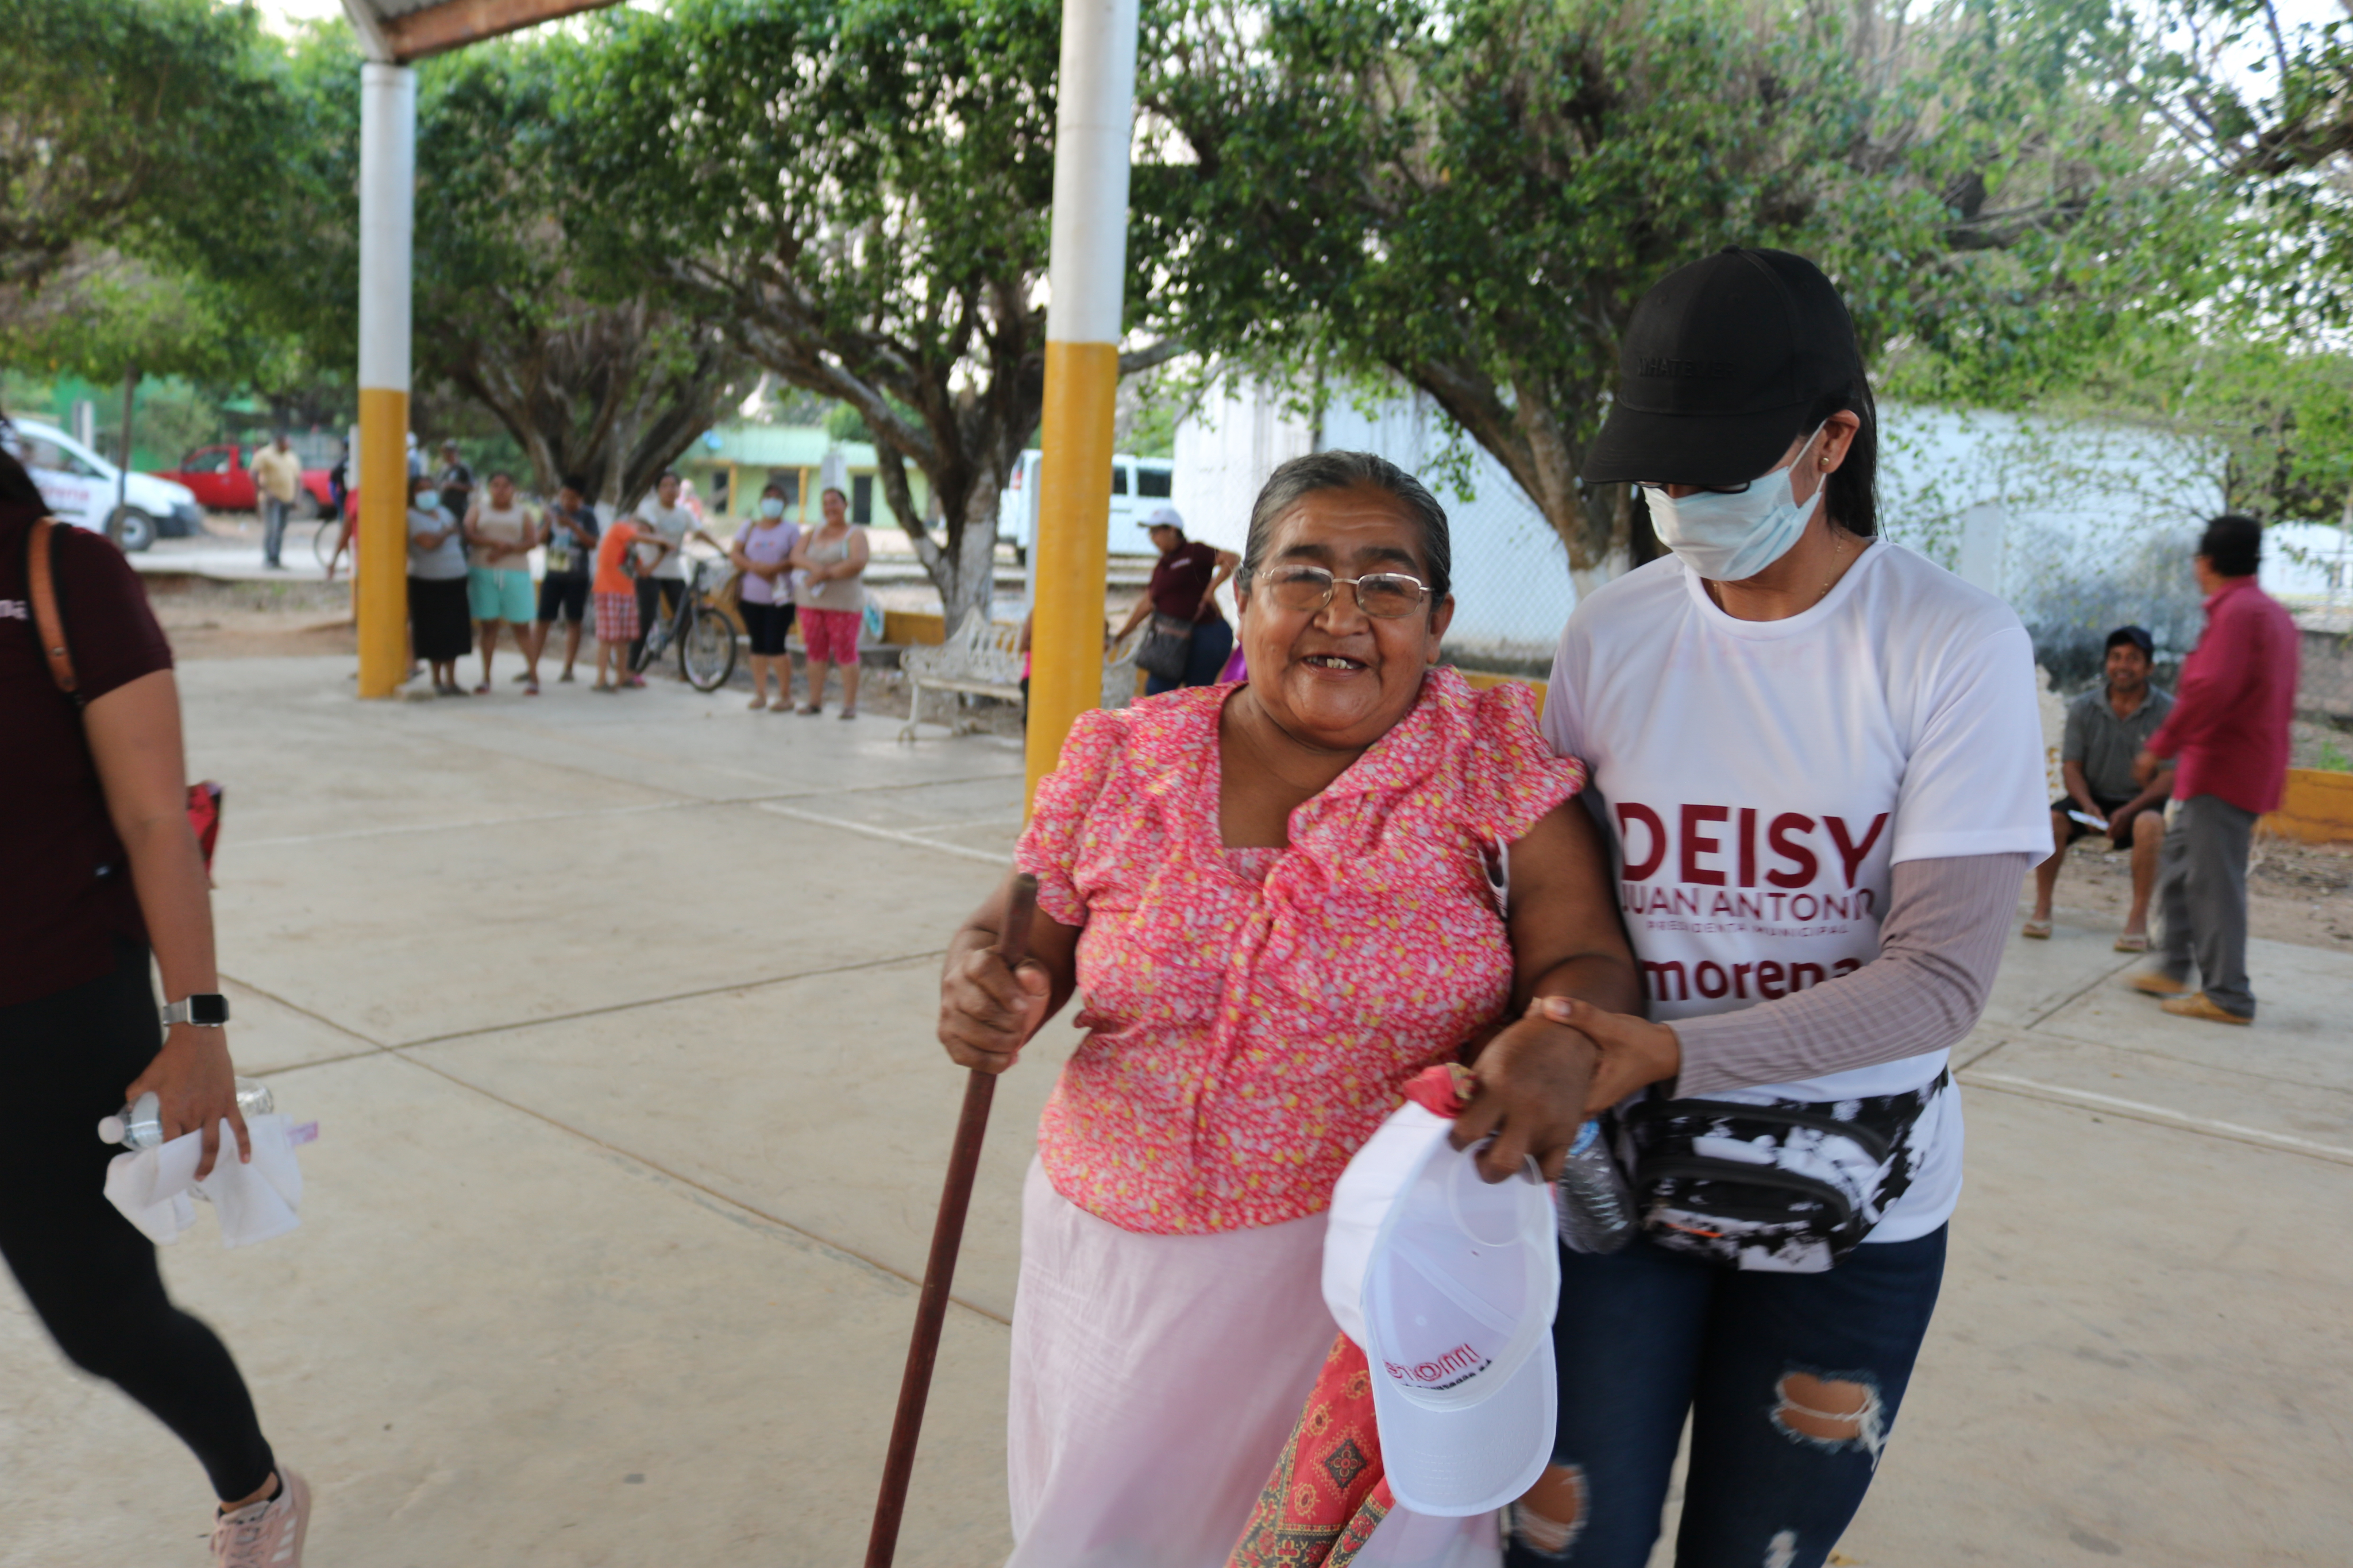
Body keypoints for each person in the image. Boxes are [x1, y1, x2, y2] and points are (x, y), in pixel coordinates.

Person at [937, 451, 1639, 1568]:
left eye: (1387, 584)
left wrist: (1555, 1036)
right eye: (1303, 574)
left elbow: (1587, 953)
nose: (1340, 614)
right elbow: (1019, 935)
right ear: (1241, 597)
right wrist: (987, 978)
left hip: (1381, 1275)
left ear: (1439, 615)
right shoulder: (1126, 755)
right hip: (1119, 1264)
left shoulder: (1489, 755)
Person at [1506, 248, 2049, 1568]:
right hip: (1615, 1190)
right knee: (1561, 1537)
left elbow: (1935, 983)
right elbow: (1547, 889)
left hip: (1856, 1210)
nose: (1684, 501)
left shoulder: (1950, 645)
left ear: (1830, 444)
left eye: (1722, 469)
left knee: (1761, 1549)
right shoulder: (1613, 636)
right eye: (1663, 472)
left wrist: (1677, 1050)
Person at [0, 437, 314, 1563]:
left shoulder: (62, 575)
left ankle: (256, 1490)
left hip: (51, 1015)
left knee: (103, 1321)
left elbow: (153, 824)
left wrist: (197, 1033)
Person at [2124, 514, 2302, 1024]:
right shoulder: (2270, 613)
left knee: (2213, 882)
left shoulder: (2237, 614)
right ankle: (2174, 965)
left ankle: (2228, 994)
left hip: (2224, 770)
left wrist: (2159, 745)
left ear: (2205, 563)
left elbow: (2212, 690)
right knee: (2181, 865)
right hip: (2235, 766)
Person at [2024, 626, 2174, 948]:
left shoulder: (2167, 711)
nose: (2123, 665)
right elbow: (2071, 767)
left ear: (2149, 668)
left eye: (2134, 659)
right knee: (2052, 820)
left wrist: (2131, 810)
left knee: (2150, 824)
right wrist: (2087, 805)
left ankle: (2137, 920)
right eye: (2116, 657)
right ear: (2106, 663)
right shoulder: (2083, 707)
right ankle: (2043, 908)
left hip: (2140, 804)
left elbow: (2168, 777)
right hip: (2090, 802)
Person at [1112, 505, 1241, 694]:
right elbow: (1147, 603)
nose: (1152, 537)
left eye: (1156, 531)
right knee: (1157, 693)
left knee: (1197, 696)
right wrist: (1122, 634)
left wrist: (1210, 591)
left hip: (1206, 634)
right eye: (1150, 532)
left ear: (1172, 530)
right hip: (1171, 640)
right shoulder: (1162, 566)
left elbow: (1232, 559)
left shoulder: (1194, 551)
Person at [630, 470, 723, 681]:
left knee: (686, 619)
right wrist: (661, 540)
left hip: (674, 570)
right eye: (665, 486)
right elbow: (646, 528)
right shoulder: (649, 508)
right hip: (651, 568)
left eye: (674, 486)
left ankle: (685, 670)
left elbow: (699, 532)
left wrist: (722, 550)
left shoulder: (684, 513)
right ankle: (631, 668)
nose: (670, 490)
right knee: (646, 617)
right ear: (657, 490)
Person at [789, 485, 870, 717]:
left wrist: (824, 574)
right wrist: (816, 569)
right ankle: (815, 701)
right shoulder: (813, 533)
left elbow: (858, 562)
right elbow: (796, 556)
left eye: (835, 502)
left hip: (843, 605)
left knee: (845, 651)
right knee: (815, 651)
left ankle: (849, 705)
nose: (830, 508)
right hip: (811, 603)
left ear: (846, 505)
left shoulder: (855, 534)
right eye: (826, 503)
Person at [462, 470, 539, 695]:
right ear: (489, 488)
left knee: (522, 625)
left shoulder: (523, 512)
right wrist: (495, 543)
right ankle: (486, 677)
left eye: (506, 485)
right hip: (484, 572)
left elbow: (531, 540)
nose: (501, 490)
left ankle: (534, 676)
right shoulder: (478, 509)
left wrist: (507, 549)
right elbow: (468, 534)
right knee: (488, 626)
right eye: (495, 485)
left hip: (516, 573)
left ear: (514, 488)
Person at [729, 482, 801, 709]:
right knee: (757, 644)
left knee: (776, 644)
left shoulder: (791, 530)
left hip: (780, 597)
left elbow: (796, 558)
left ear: (785, 503)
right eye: (768, 496)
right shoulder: (749, 527)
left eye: (778, 496)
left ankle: (785, 695)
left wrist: (774, 568)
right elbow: (735, 553)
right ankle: (760, 693)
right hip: (750, 596)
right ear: (761, 502)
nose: (772, 501)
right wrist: (754, 567)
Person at [527, 475, 600, 686]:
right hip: (553, 573)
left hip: (578, 576)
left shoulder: (588, 516)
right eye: (564, 497)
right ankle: (532, 666)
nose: (567, 502)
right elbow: (539, 541)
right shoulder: (553, 512)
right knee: (543, 620)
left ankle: (569, 667)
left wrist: (572, 525)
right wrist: (548, 522)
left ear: (581, 498)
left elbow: (592, 542)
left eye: (572, 498)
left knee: (574, 620)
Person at [407, 473, 472, 696]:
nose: (426, 493)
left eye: (429, 488)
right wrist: (445, 531)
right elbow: (428, 543)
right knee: (434, 631)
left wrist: (444, 532)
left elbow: (460, 533)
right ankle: (437, 680)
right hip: (428, 582)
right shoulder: (411, 517)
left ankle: (452, 680)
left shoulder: (444, 511)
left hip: (456, 578)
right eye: (420, 489)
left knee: (455, 631)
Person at [591, 512, 645, 693]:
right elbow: (638, 535)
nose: (642, 532)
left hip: (626, 593)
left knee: (623, 637)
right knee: (608, 637)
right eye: (641, 526)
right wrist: (661, 540)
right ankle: (601, 680)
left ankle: (621, 677)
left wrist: (662, 553)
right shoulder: (619, 528)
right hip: (608, 590)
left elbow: (643, 571)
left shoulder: (631, 550)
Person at [249, 433, 302, 572]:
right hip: (272, 500)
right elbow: (253, 474)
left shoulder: (291, 456)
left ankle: (277, 558)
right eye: (286, 443)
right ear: (279, 442)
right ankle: (269, 559)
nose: (289, 446)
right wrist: (266, 491)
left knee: (280, 529)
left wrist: (297, 498)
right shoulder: (265, 455)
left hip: (287, 499)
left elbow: (298, 479)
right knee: (272, 528)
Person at [434, 440, 473, 523]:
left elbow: (472, 486)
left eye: (450, 451)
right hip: (443, 506)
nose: (448, 454)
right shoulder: (442, 469)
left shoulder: (463, 468)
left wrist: (453, 485)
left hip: (459, 508)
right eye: (446, 452)